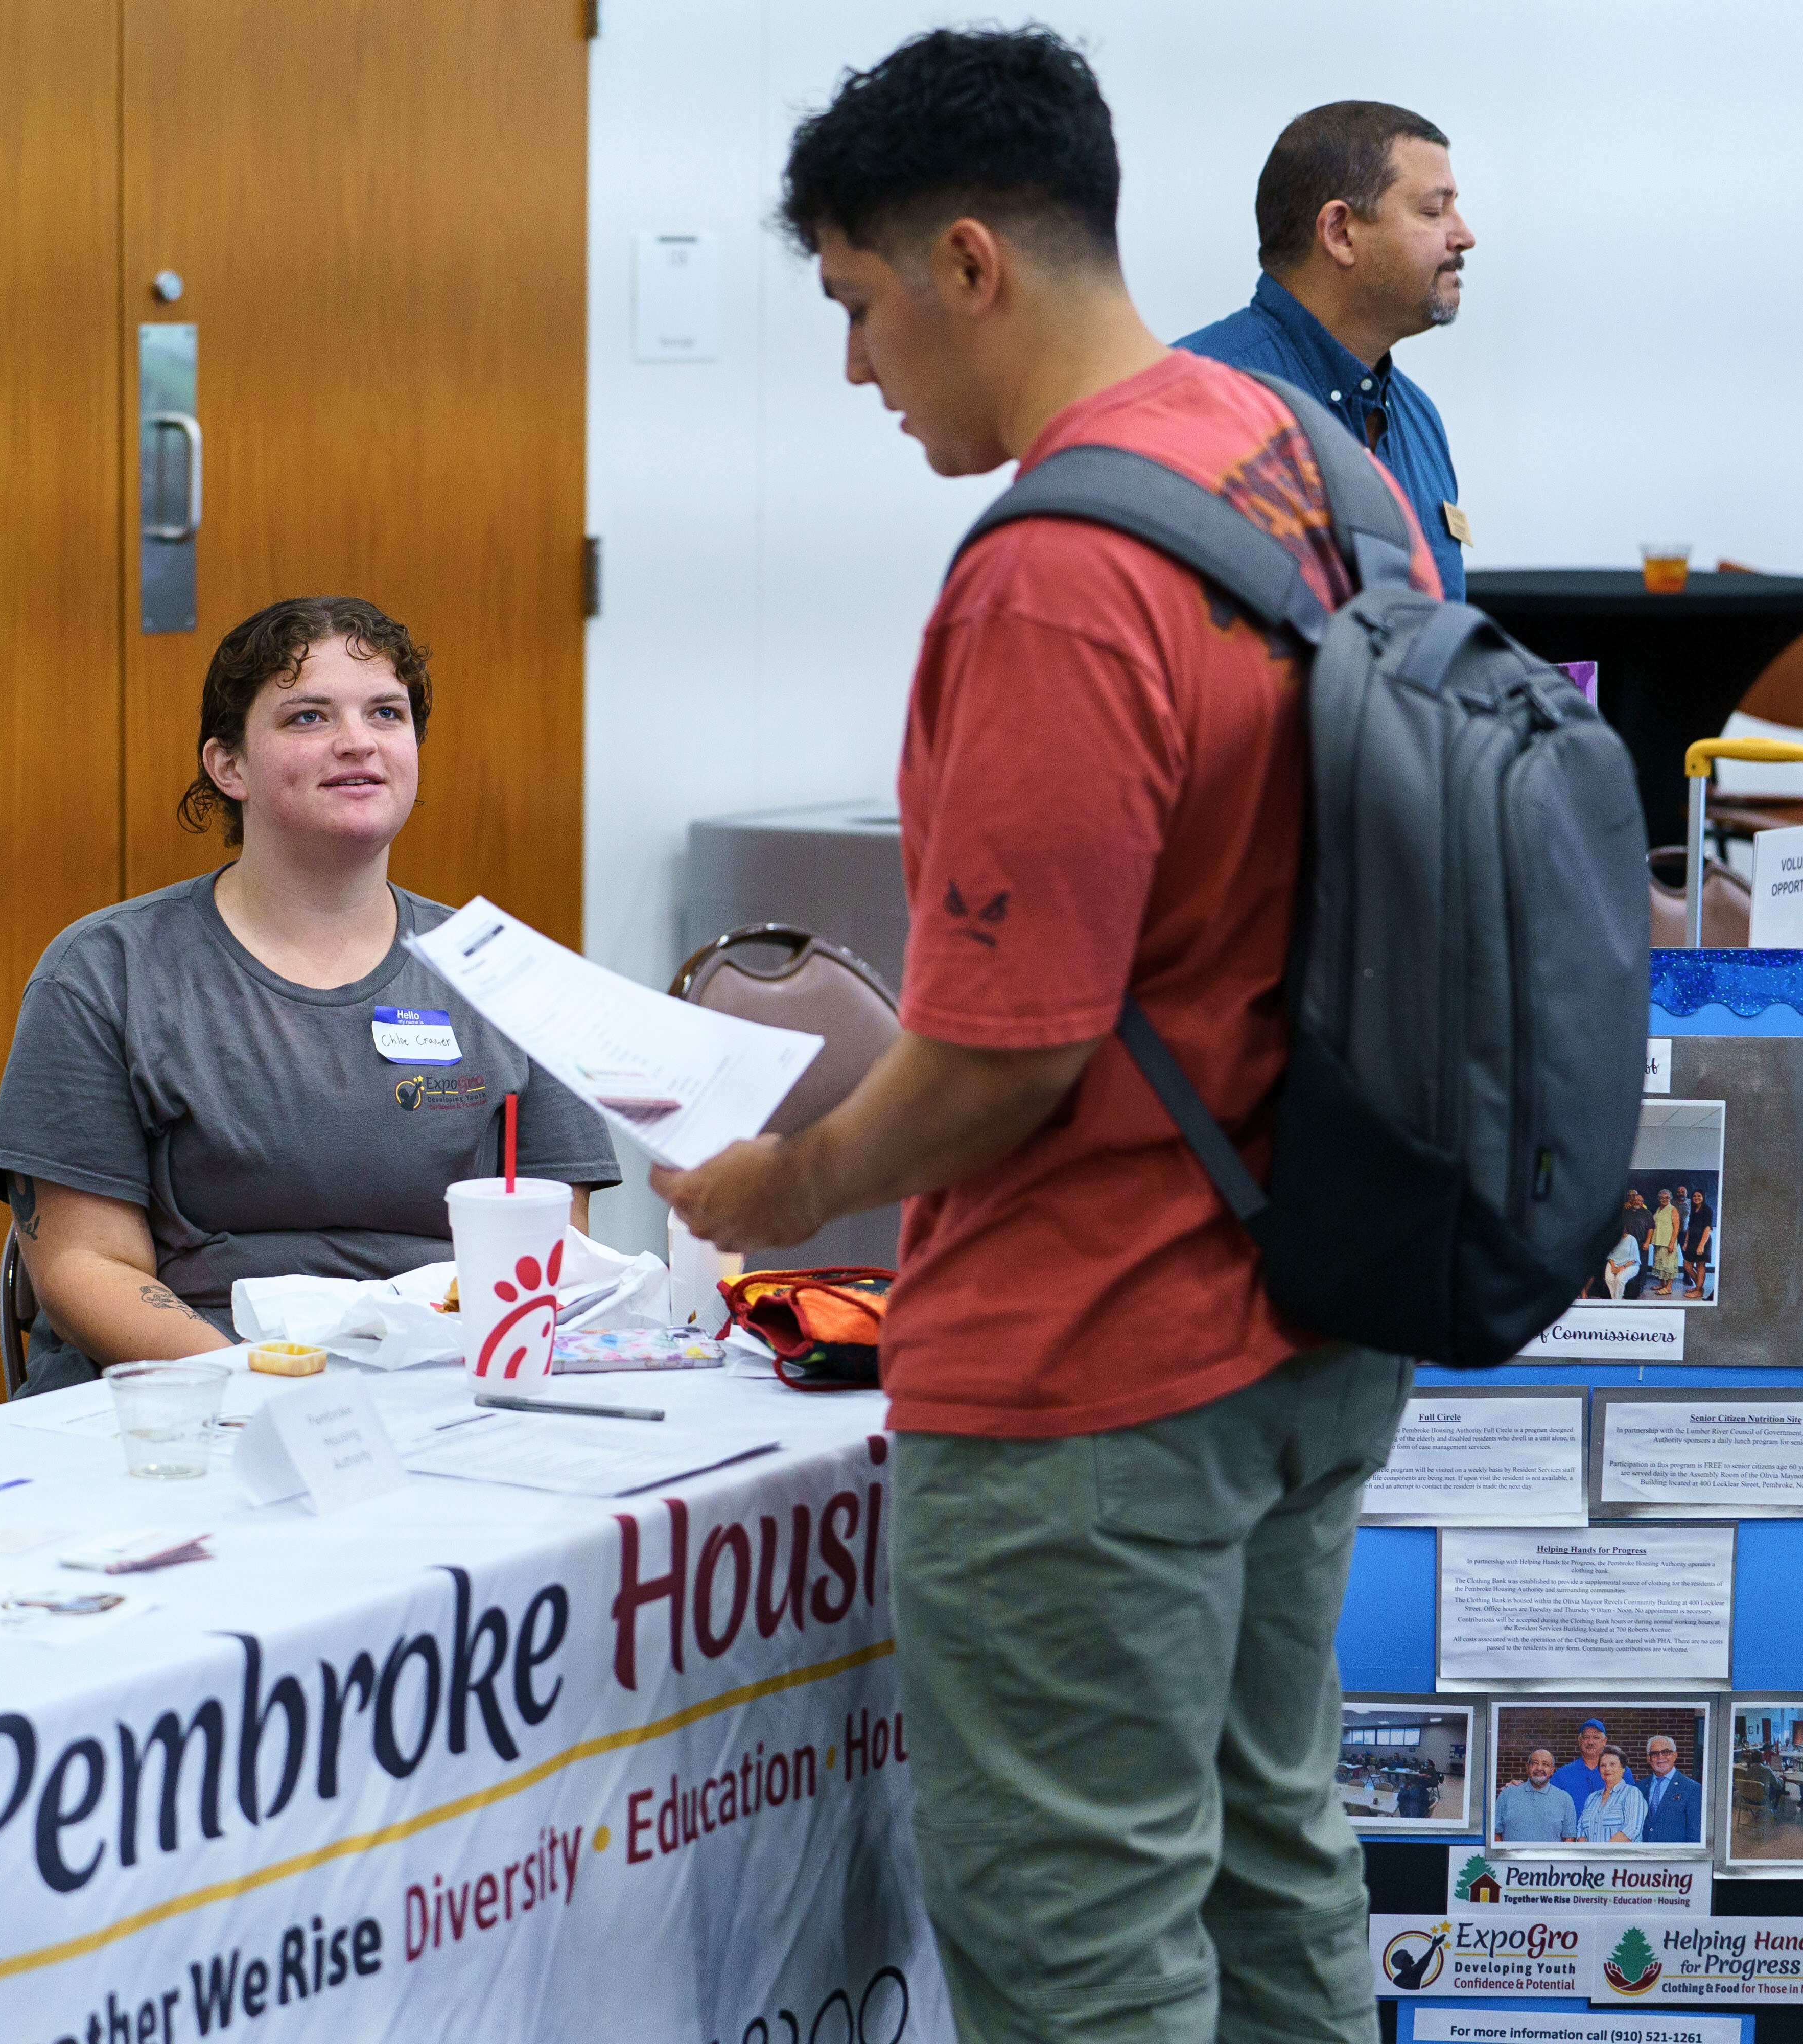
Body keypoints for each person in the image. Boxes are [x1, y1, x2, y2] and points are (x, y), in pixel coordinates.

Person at [652, 31, 1440, 2043]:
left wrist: (787, 1184)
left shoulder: (1061, 577)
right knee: (1273, 1872)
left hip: (1096, 1362)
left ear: (972, 262)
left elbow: (1010, 1051)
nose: (855, 370)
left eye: (856, 304)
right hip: (1314, 1294)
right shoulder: (1332, 472)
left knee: (1075, 1948)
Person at [0, 596, 617, 1391]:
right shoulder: (104, 972)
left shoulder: (507, 977)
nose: (358, 742)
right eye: (309, 718)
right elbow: (83, 1268)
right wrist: (275, 1387)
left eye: (386, 713)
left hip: (446, 1392)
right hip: (187, 1400)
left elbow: (546, 1260)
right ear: (229, 766)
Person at [1176, 102, 1473, 598]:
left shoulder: (1421, 420)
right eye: (1433, 211)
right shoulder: (1191, 403)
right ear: (1340, 233)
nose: (1465, 236)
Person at [1492, 1747, 1578, 1844]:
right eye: (1535, 1763)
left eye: (1545, 1764)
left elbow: (1569, 1838)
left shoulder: (1565, 1799)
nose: (1539, 1768)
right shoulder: (1507, 1794)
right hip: (1514, 1859)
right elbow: (1495, 1833)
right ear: (1527, 1767)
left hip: (1550, 1859)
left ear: (1552, 1770)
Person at [1638, 1733, 1702, 1843]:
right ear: (1649, 1759)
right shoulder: (1639, 1787)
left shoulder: (1692, 1789)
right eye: (1655, 1754)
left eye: (1666, 1752)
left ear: (1675, 1755)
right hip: (1643, 1855)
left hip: (1674, 1856)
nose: (1661, 1757)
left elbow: (1694, 1833)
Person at [1577, 1746, 1646, 1845]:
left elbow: (1631, 1829)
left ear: (1623, 1769)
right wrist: (1588, 1855)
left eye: (1613, 1764)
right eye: (1603, 1766)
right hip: (1591, 1859)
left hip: (1620, 1858)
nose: (1607, 1769)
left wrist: (1601, 1854)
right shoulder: (1592, 1798)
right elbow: (1581, 1830)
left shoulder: (1632, 1793)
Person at [1549, 1717, 1612, 1810]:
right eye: (1586, 1738)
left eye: (1596, 1738)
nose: (1591, 1742)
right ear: (1579, 1740)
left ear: (1604, 1742)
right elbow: (1546, 1801)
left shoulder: (1620, 1771)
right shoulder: (1562, 1775)